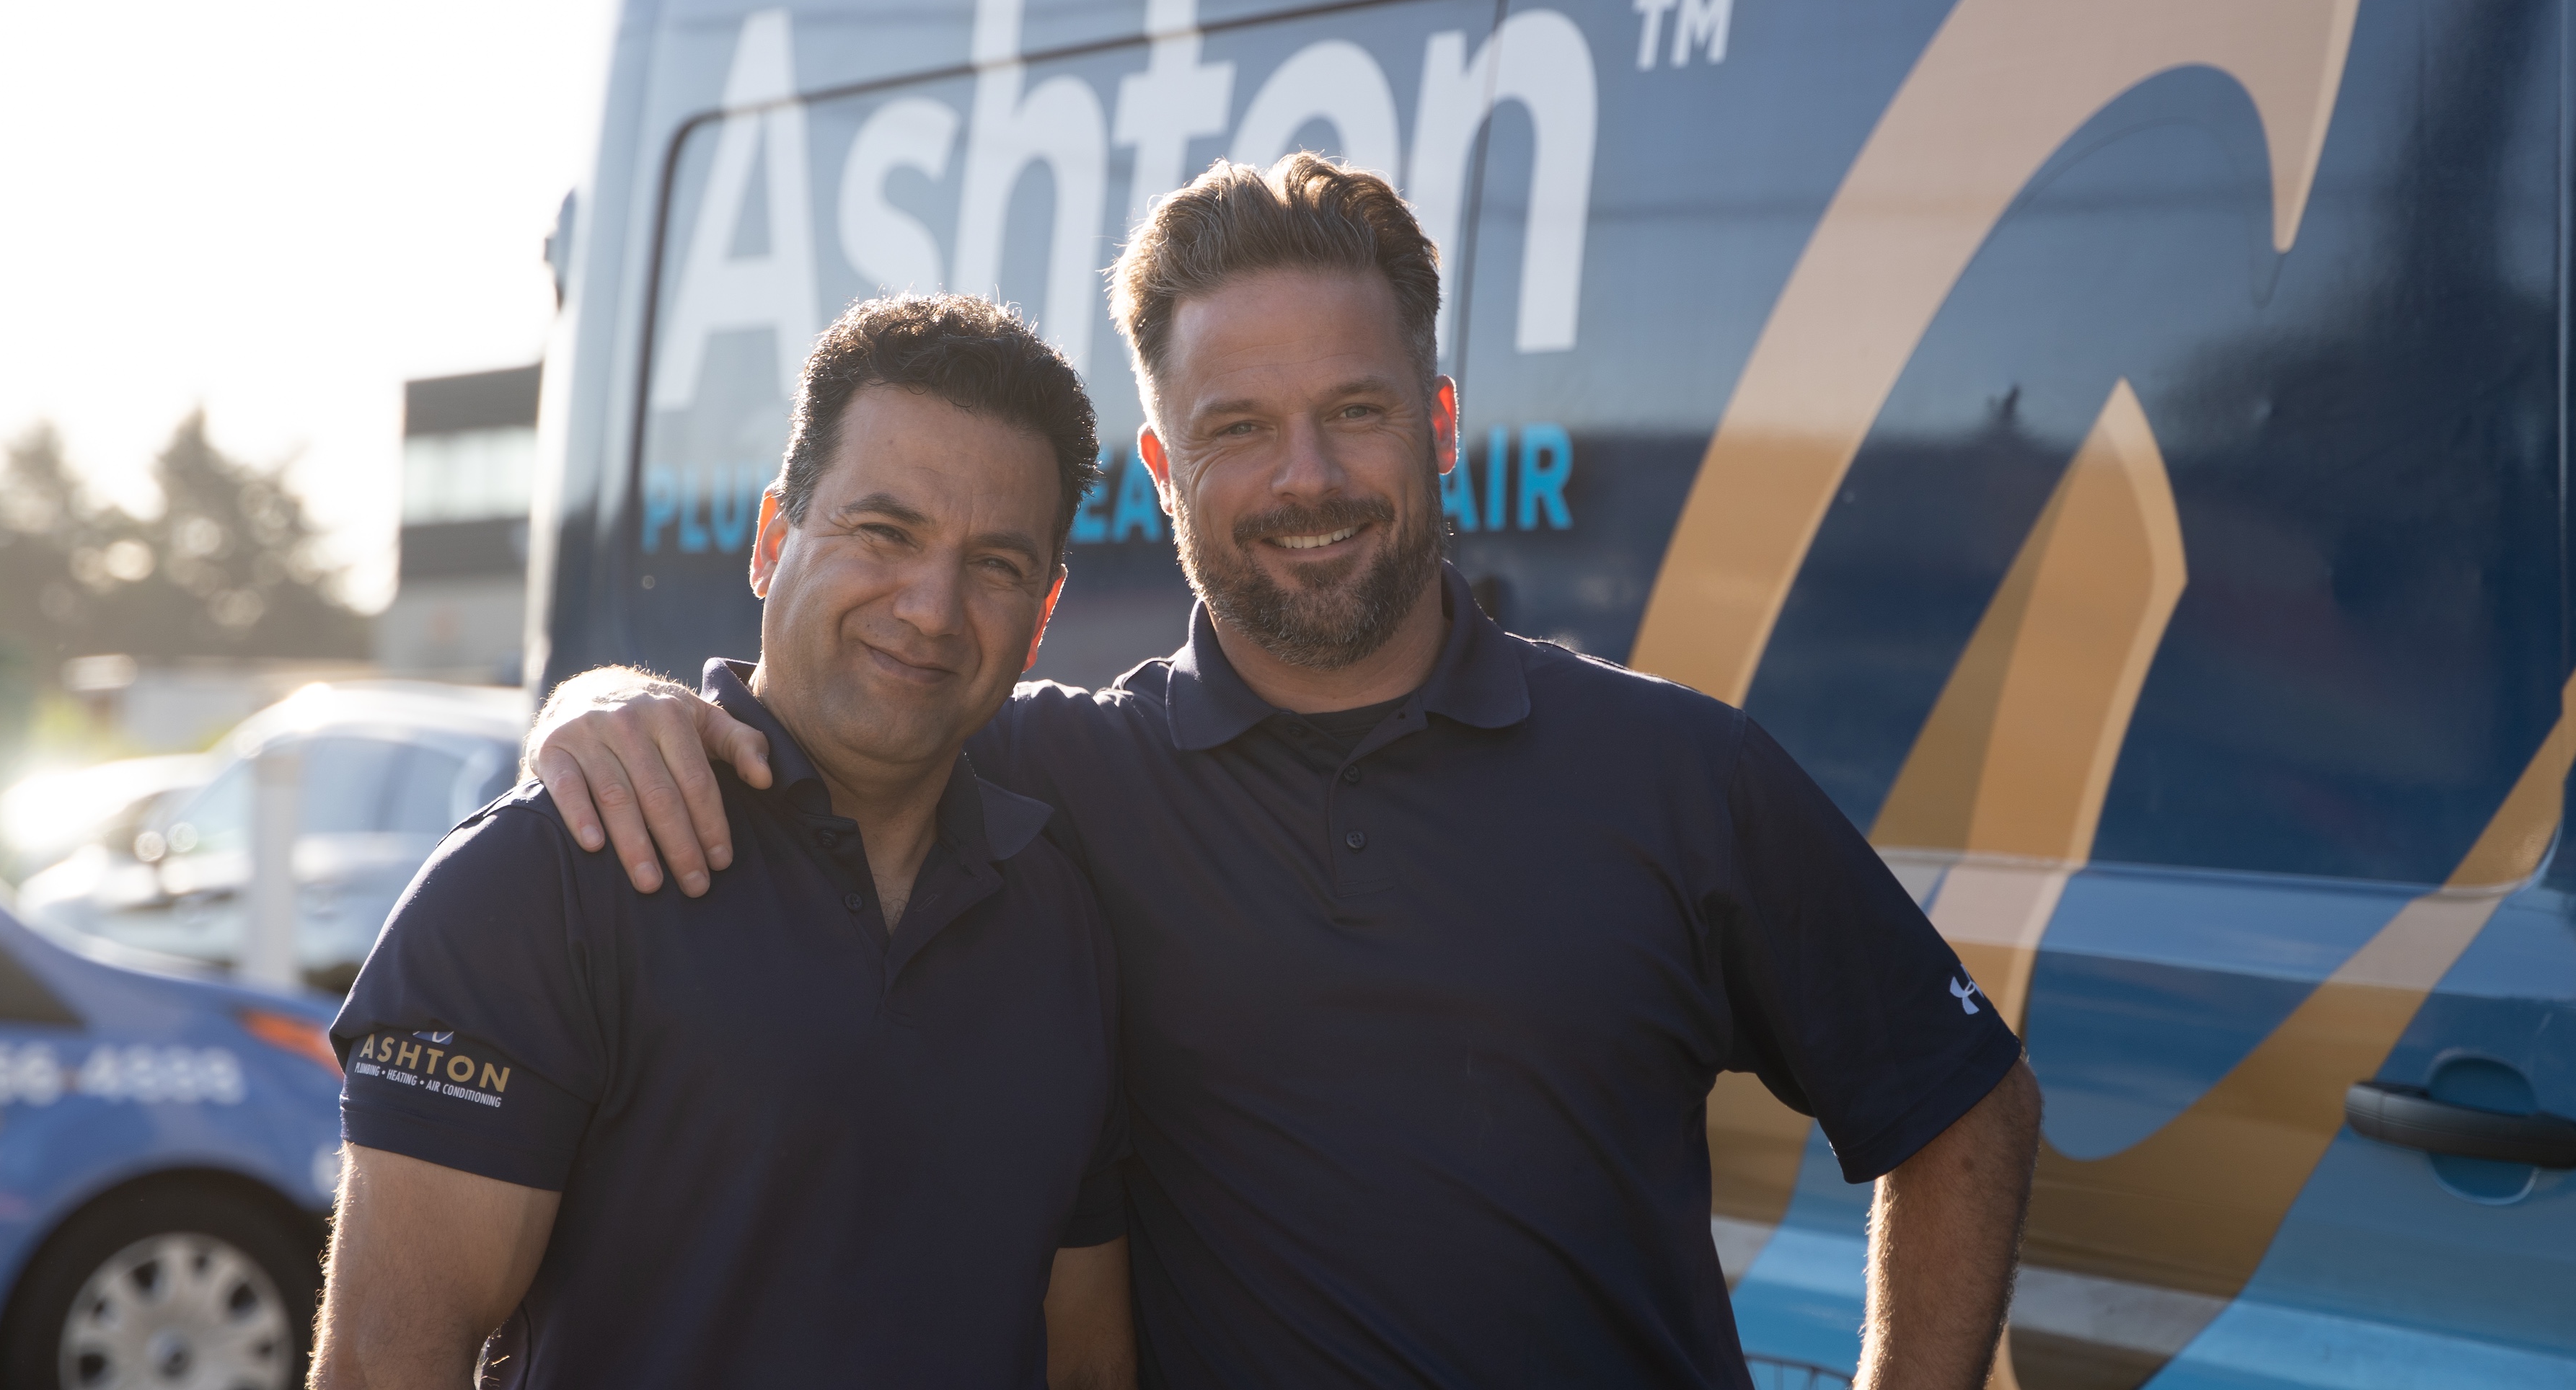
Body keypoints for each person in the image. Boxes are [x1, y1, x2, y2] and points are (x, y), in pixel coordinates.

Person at [533, 154, 2044, 1390]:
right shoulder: (1058, 773)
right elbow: (813, 708)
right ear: (1163, 469)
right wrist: (598, 705)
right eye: (1239, 429)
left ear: (1439, 428)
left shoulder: (1674, 772)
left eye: (1356, 415)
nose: (1304, 480)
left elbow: (1961, 1105)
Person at [309, 297, 1137, 1390]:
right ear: (772, 540)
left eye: (994, 565)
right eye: (883, 533)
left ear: (1041, 616)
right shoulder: (550, 873)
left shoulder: (1063, 922)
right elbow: (384, 1364)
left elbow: (1082, 1361)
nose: (932, 609)